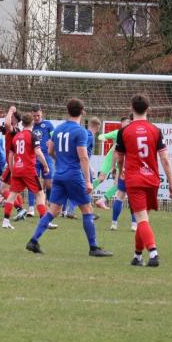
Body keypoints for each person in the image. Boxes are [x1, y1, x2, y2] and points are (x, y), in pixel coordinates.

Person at [25, 98, 112, 257]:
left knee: (54, 209)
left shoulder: (58, 129)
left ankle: (34, 240)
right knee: (87, 209)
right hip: (73, 175)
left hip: (59, 174)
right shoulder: (80, 131)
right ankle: (93, 247)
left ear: (67, 110)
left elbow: (50, 150)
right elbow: (84, 157)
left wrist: (60, 161)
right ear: (82, 111)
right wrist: (87, 180)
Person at [116, 94, 172, 267]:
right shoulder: (155, 130)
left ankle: (153, 253)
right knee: (144, 220)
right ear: (148, 109)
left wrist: (122, 172)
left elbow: (120, 158)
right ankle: (137, 256)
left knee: (141, 219)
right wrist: (171, 184)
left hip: (135, 180)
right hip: (152, 180)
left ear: (131, 108)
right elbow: (165, 159)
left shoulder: (124, 131)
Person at [1, 113, 50, 229]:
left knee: (12, 195)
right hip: (28, 170)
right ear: (32, 123)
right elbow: (38, 152)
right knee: (40, 194)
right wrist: (46, 166)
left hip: (17, 169)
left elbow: (10, 155)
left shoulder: (16, 136)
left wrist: (13, 170)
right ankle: (44, 221)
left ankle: (5, 221)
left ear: (22, 123)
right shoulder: (33, 136)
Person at [103, 117, 138, 231]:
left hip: (125, 169)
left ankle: (114, 223)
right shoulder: (140, 134)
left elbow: (116, 153)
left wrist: (115, 168)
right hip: (136, 170)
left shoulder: (122, 134)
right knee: (134, 197)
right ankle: (134, 224)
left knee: (120, 196)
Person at [64, 117, 101, 219]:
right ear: (97, 128)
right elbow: (81, 151)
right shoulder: (89, 136)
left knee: (76, 188)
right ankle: (88, 213)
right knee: (87, 188)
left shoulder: (83, 133)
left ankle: (69, 210)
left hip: (79, 164)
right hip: (81, 164)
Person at [29, 105, 57, 229]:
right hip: (33, 157)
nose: (36, 118)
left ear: (41, 114)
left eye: (38, 115)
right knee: (33, 182)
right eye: (34, 116)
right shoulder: (30, 126)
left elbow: (54, 137)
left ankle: (50, 206)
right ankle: (31, 208)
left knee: (49, 183)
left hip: (47, 156)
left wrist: (52, 143)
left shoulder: (48, 125)